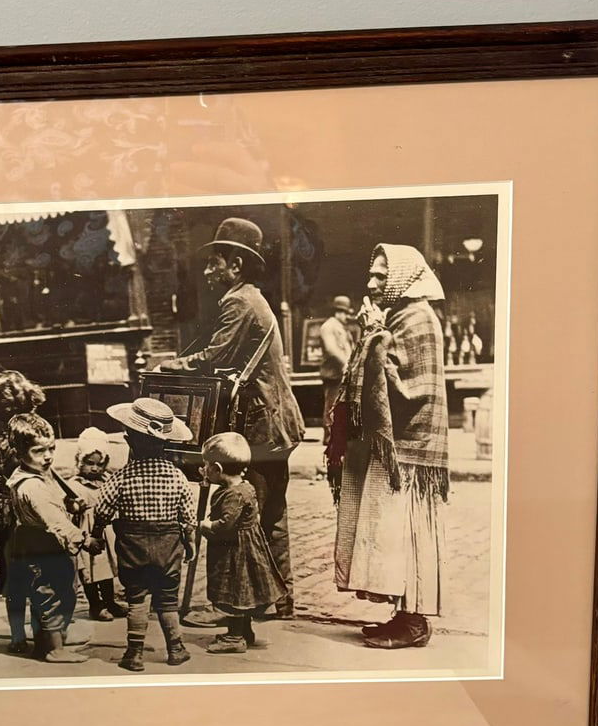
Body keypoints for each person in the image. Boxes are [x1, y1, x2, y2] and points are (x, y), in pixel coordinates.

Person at [158, 217, 305, 620]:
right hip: (279, 424)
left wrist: (171, 366)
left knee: (245, 515)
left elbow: (215, 359)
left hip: (261, 426)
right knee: (271, 512)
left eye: (214, 263)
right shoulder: (254, 298)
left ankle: (245, 606)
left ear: (235, 265)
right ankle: (281, 598)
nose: (207, 272)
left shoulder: (238, 301)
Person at [327, 243, 450, 650]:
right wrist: (376, 331)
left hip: (409, 448)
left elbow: (406, 388)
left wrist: (376, 334)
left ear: (401, 278)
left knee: (404, 534)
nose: (371, 282)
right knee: (393, 533)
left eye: (381, 275)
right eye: (372, 273)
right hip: (395, 446)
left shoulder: (416, 318)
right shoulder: (397, 316)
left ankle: (413, 622)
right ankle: (402, 616)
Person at [88, 398, 196, 672]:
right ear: (165, 442)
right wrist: (191, 543)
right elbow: (188, 516)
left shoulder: (122, 476)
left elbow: (101, 509)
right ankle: (176, 648)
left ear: (129, 440)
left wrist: (97, 535)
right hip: (168, 547)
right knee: (167, 599)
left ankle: (134, 654)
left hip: (133, 546)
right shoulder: (176, 476)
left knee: (136, 598)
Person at [4, 413, 89, 664]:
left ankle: (46, 643)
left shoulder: (37, 475)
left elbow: (54, 506)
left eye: (51, 448)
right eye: (38, 450)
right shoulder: (32, 485)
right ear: (20, 453)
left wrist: (70, 506)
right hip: (44, 543)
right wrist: (83, 539)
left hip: (31, 539)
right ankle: (54, 649)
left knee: (46, 593)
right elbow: (54, 520)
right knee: (54, 594)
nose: (48, 456)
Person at [197, 432, 287, 655]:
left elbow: (226, 525)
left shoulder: (232, 494)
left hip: (234, 552)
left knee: (233, 590)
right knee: (244, 591)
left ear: (217, 468)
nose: (204, 469)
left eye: (206, 465)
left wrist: (204, 525)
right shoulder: (246, 486)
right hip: (247, 548)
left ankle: (234, 638)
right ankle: (245, 631)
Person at [0, 370, 46, 601]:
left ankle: (17, 633)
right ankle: (44, 629)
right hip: (23, 512)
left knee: (9, 577)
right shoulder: (28, 447)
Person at [67, 427, 126, 621]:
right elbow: (67, 508)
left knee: (106, 568)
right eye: (89, 463)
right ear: (79, 461)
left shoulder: (108, 481)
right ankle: (95, 605)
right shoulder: (73, 485)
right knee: (91, 571)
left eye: (99, 464)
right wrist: (76, 506)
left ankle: (110, 602)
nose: (94, 468)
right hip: (87, 533)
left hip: (107, 533)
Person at [318, 295, 356, 428]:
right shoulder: (328, 326)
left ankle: (336, 438)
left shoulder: (340, 326)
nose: (347, 317)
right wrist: (345, 363)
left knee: (338, 406)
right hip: (334, 373)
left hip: (341, 374)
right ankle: (330, 438)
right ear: (339, 312)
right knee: (332, 406)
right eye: (345, 313)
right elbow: (331, 348)